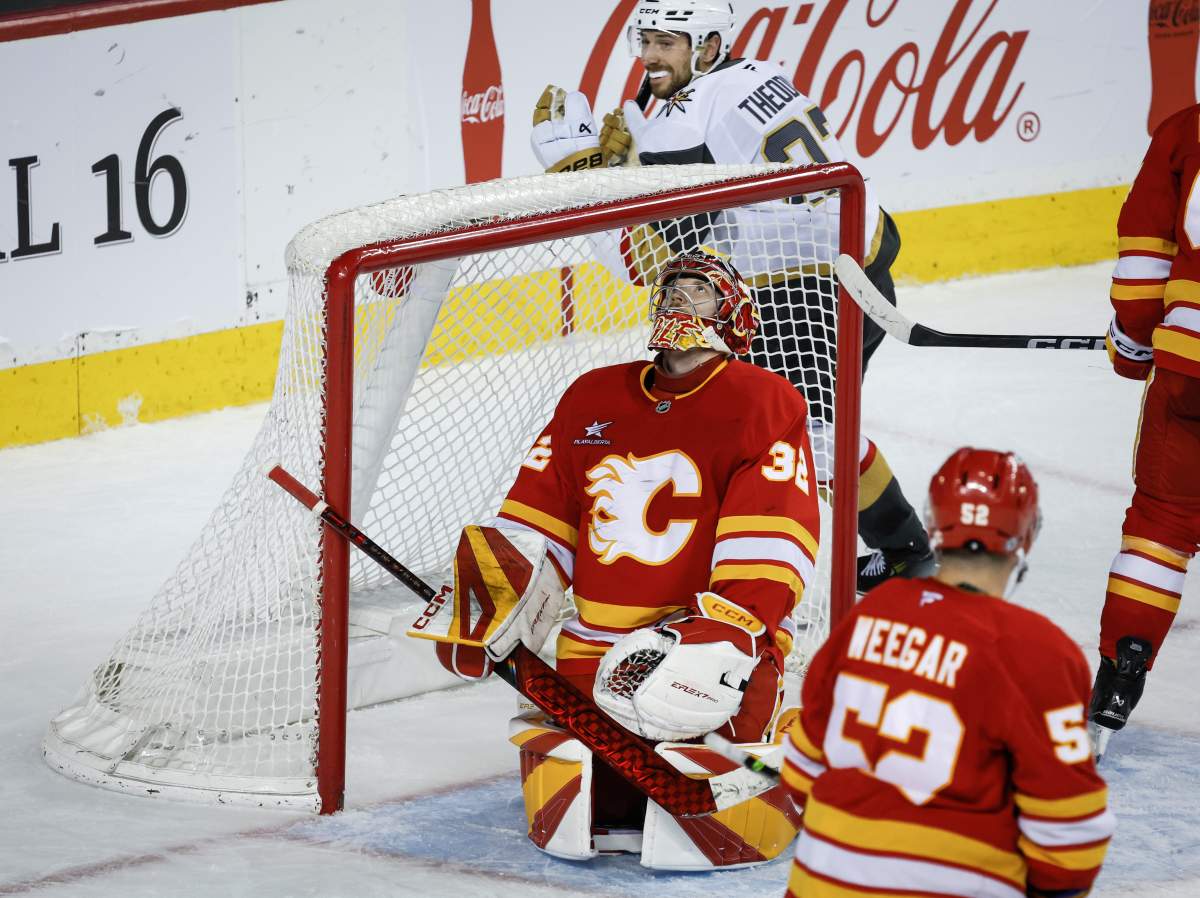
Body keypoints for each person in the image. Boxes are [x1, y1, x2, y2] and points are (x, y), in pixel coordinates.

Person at [413, 250, 817, 868]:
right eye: (671, 291)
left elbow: (771, 538)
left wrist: (723, 633)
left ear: (734, 315)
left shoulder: (762, 399)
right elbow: (538, 519)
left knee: (700, 802)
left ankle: (766, 746)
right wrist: (491, 598)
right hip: (592, 648)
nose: (679, 303)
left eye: (699, 294)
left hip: (699, 647)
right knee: (581, 806)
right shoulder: (591, 394)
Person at [529, 0, 933, 593]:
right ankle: (878, 549)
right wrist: (638, 166)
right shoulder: (759, 74)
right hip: (863, 260)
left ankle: (900, 552)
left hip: (800, 292)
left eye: (667, 43)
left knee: (805, 438)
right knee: (780, 429)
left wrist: (578, 180)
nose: (649, 57)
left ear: (709, 44)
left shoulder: (678, 124)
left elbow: (649, 262)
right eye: (645, 41)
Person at [782, 448, 1114, 898]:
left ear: (933, 528)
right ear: (1027, 537)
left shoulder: (872, 612)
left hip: (822, 883)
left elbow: (800, 771)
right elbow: (1072, 843)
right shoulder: (1041, 652)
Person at [1089, 102, 1200, 760]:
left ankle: (1118, 680)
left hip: (1191, 368)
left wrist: (1132, 347)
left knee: (1161, 526)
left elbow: (1143, 261)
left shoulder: (1187, 130)